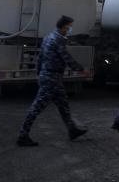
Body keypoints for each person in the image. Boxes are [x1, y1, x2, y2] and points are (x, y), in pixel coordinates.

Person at [17, 15, 88, 146]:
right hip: (52, 78)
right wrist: (80, 69)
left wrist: (39, 73)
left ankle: (72, 130)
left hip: (49, 76)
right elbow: (66, 57)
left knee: (63, 105)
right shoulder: (59, 40)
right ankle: (23, 135)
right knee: (36, 107)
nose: (70, 29)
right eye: (70, 26)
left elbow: (40, 57)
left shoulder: (48, 37)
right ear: (64, 26)